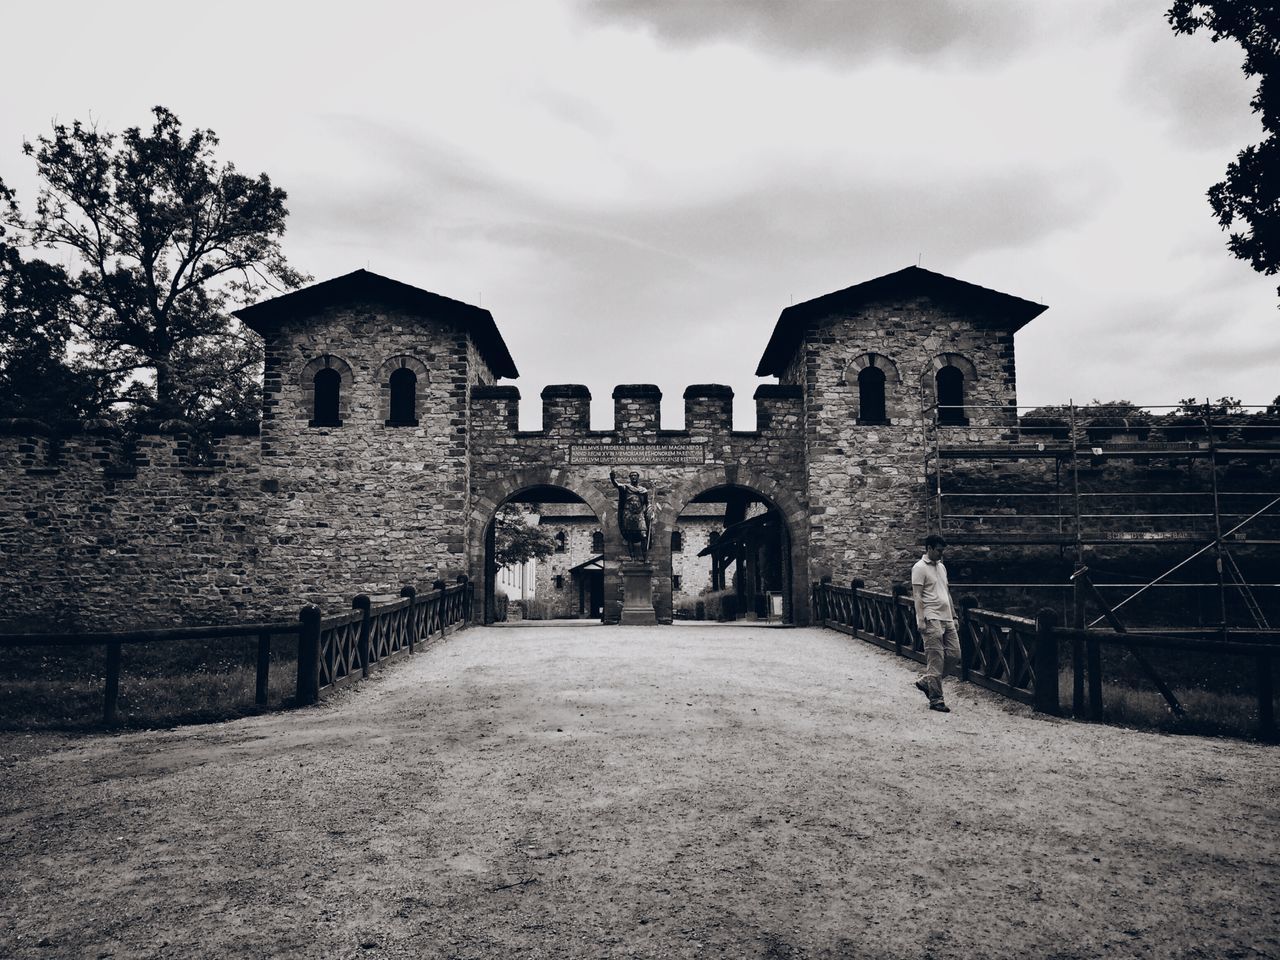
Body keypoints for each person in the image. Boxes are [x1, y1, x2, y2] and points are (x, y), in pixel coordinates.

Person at [911, 533, 960, 713]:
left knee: (955, 655)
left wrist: (954, 616)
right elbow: (917, 596)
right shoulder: (919, 568)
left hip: (946, 618)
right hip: (931, 618)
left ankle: (927, 682)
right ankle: (936, 700)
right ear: (929, 548)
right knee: (935, 660)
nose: (941, 554)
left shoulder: (942, 567)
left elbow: (946, 593)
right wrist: (920, 619)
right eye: (939, 550)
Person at [609, 469, 651, 560]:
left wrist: (649, 510)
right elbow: (617, 485)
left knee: (644, 535)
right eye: (631, 476)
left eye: (635, 475)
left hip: (639, 514)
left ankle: (645, 557)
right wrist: (612, 479)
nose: (633, 477)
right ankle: (632, 557)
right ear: (630, 478)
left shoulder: (643, 490)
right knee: (630, 536)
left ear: (638, 477)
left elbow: (647, 503)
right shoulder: (626, 487)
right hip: (628, 514)